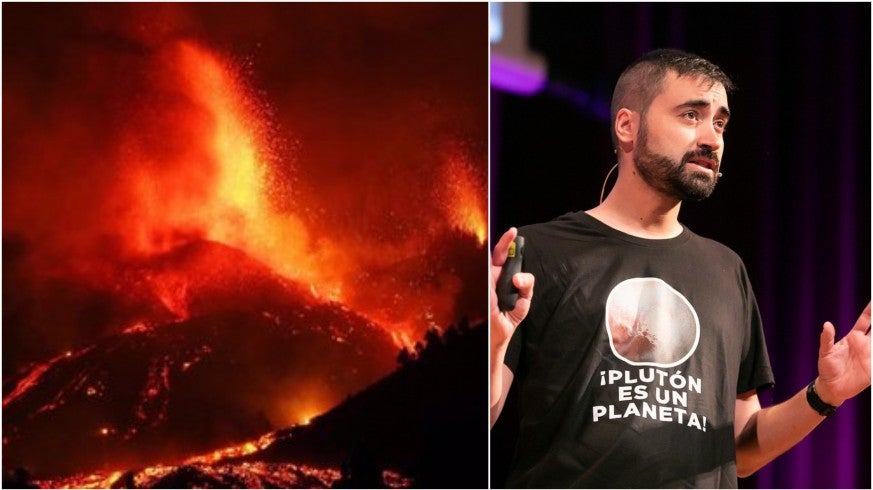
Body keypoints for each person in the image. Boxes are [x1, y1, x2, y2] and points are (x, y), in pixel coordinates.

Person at [489, 49, 871, 488]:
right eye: (692, 115)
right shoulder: (540, 251)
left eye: (720, 123)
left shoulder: (726, 269)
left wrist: (826, 395)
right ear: (627, 126)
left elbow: (740, 452)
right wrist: (494, 346)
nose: (712, 138)